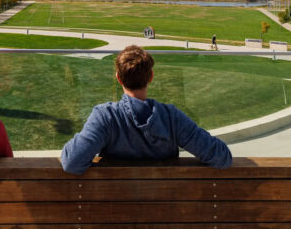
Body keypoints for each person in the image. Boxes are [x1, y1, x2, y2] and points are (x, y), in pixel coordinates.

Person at [60, 46, 232, 174]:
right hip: (168, 214)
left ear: (118, 78)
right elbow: (222, 158)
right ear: (151, 77)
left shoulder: (106, 117)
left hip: (115, 213)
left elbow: (71, 162)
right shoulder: (171, 117)